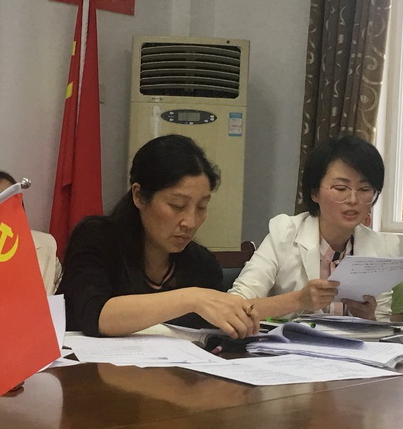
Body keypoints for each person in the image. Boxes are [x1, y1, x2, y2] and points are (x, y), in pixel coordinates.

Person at [58, 134, 259, 339]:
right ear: (138, 196)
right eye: (177, 205)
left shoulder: (202, 264)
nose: (190, 222)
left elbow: (211, 333)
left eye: (201, 207)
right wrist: (192, 299)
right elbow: (95, 316)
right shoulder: (96, 238)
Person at [230, 134, 399, 321]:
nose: (353, 199)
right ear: (315, 193)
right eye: (340, 188)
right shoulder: (284, 233)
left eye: (364, 189)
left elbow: (382, 327)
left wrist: (369, 318)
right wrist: (298, 300)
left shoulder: (381, 248)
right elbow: (235, 306)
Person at [0, 170, 62, 295]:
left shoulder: (45, 244)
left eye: (13, 197)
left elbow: (60, 286)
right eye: (0, 198)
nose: (9, 203)